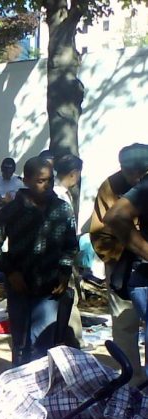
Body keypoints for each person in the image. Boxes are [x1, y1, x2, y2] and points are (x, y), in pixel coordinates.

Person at [0, 157, 78, 366]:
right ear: (26, 180)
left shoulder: (63, 209)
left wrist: (64, 272)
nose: (47, 185)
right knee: (20, 344)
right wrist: (10, 271)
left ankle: (41, 384)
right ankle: (19, 382)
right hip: (20, 287)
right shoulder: (10, 211)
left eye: (50, 180)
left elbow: (71, 245)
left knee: (44, 344)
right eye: (40, 181)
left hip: (49, 289)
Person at [90, 143, 148, 385]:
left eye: (141, 171)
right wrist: (127, 253)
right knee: (125, 325)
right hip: (122, 265)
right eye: (129, 171)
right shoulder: (110, 186)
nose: (135, 177)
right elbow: (100, 231)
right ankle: (132, 382)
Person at [53, 154, 85, 350]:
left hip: (62, 256)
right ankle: (74, 341)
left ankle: (71, 339)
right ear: (74, 174)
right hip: (61, 257)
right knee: (69, 298)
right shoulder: (59, 196)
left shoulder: (59, 193)